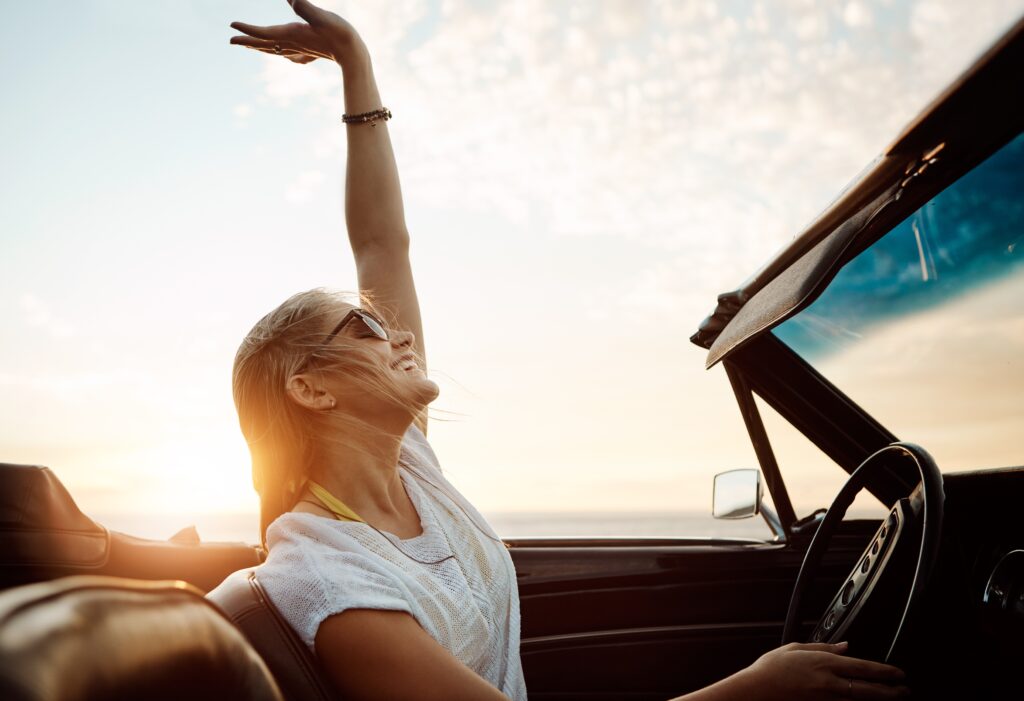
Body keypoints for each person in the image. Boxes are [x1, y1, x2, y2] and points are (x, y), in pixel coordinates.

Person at [228, 2, 911, 699]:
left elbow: (381, 245)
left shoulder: (408, 464)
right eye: (365, 327)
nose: (398, 331)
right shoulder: (327, 574)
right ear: (311, 388)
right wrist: (761, 689)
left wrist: (356, 64)